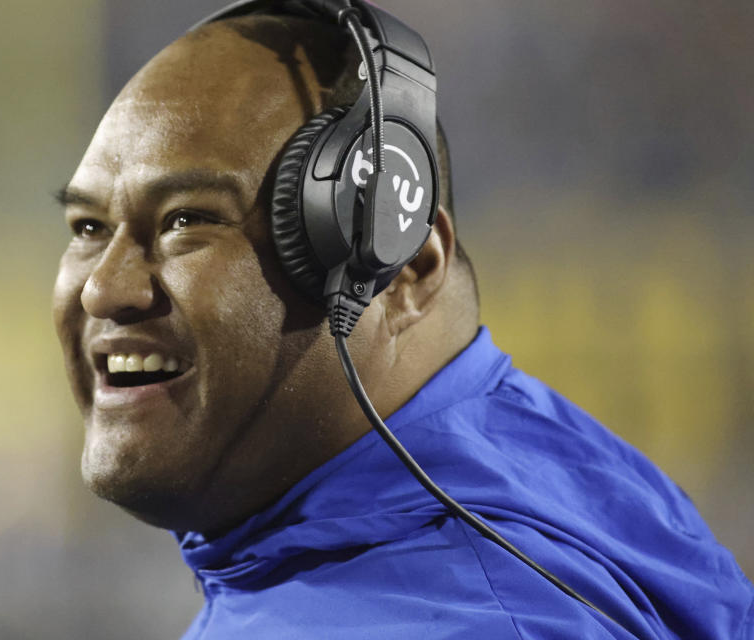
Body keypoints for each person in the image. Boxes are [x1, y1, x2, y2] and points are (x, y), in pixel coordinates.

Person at [51, 8, 754, 640]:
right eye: (87, 226)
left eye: (187, 221)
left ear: (401, 269)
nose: (103, 291)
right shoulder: (554, 472)